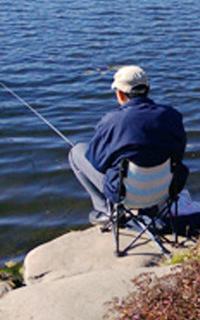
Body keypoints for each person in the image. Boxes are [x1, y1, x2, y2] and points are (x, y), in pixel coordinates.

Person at [68, 65, 189, 225]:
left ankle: (107, 211)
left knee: (77, 152)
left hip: (125, 193)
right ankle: (150, 209)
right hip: (166, 189)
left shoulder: (111, 121)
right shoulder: (172, 115)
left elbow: (97, 164)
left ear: (119, 93)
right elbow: (179, 153)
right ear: (148, 88)